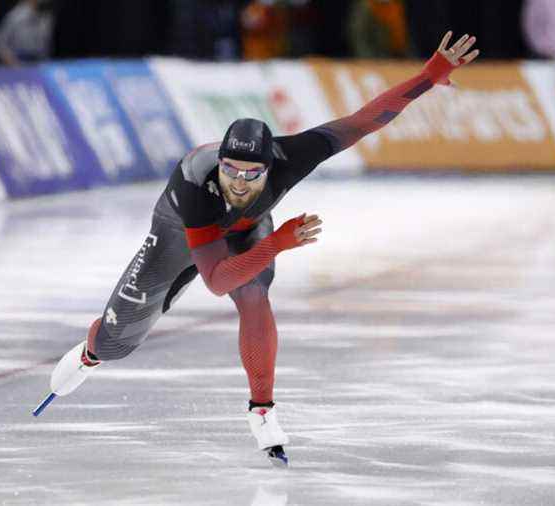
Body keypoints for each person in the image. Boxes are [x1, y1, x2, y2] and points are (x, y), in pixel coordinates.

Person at [41, 31, 479, 466]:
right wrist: (277, 243)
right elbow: (214, 281)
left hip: (247, 230)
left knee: (254, 295)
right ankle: (89, 354)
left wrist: (430, 75)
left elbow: (366, 119)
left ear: (272, 168)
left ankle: (262, 411)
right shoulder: (197, 182)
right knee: (116, 345)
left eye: (253, 174)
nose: (239, 182)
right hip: (183, 231)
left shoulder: (295, 156)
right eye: (231, 170)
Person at [0, 0, 54, 66]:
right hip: (17, 62)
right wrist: (12, 62)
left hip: (39, 63)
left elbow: (46, 45)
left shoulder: (46, 17)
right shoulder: (15, 15)